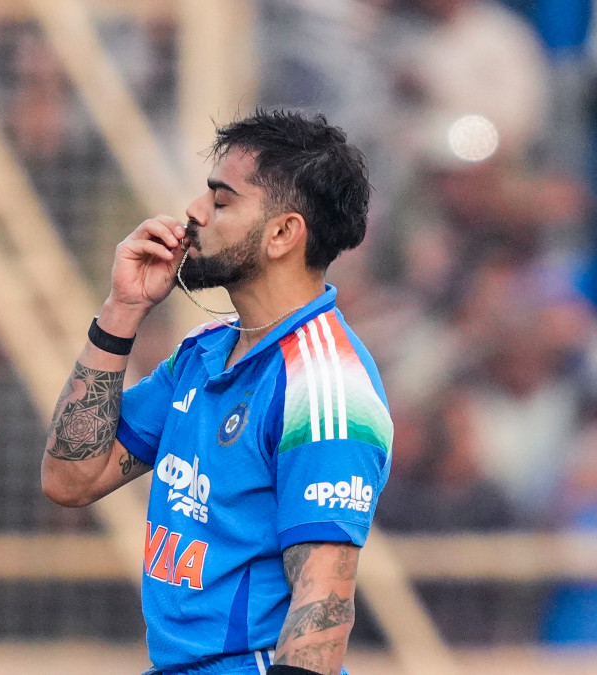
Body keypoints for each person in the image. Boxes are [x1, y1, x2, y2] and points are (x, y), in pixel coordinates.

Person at [42, 109, 393, 675]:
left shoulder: (324, 388)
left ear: (283, 234)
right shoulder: (203, 353)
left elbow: (322, 613)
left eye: (221, 201)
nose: (195, 211)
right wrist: (122, 310)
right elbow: (70, 478)